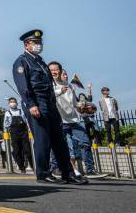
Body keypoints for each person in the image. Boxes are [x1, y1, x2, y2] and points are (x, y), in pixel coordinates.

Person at [12, 30, 86, 185]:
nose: (39, 45)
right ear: (27, 45)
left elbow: (49, 86)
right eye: (35, 43)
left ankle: (68, 173)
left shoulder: (41, 62)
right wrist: (31, 104)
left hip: (50, 103)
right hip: (36, 103)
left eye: (40, 43)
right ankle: (43, 173)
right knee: (42, 139)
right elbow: (23, 86)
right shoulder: (22, 61)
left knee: (59, 140)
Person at [49, 62, 103, 179]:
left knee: (85, 143)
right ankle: (55, 169)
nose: (54, 72)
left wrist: (83, 106)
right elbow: (49, 96)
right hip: (60, 121)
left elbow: (74, 104)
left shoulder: (69, 87)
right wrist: (60, 91)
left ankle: (90, 170)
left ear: (60, 71)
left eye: (56, 70)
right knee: (58, 146)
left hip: (73, 120)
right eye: (51, 70)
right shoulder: (50, 85)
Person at [3, 97, 33, 173]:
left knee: (27, 150)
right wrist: (6, 132)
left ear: (16, 102)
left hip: (23, 132)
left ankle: (33, 166)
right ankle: (22, 167)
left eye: (14, 101)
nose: (13, 103)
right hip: (14, 133)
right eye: (11, 102)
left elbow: (26, 121)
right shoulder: (7, 113)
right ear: (9, 104)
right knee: (17, 151)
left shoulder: (21, 111)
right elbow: (5, 124)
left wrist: (29, 129)